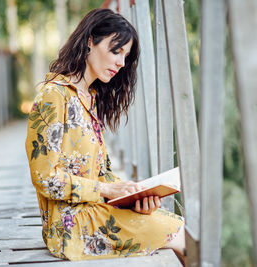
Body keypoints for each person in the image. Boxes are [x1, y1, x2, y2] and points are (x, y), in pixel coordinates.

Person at [25, 8, 185, 264]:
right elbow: (45, 178)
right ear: (90, 41)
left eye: (126, 55)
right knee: (182, 235)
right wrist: (107, 189)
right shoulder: (53, 96)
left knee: (180, 224)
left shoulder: (90, 99)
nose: (122, 63)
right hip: (69, 227)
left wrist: (133, 195)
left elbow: (101, 173)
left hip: (96, 211)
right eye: (116, 51)